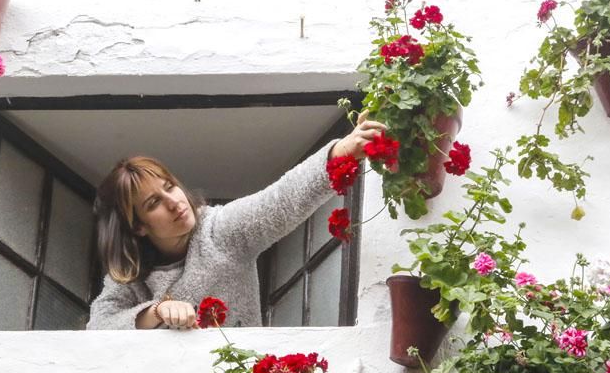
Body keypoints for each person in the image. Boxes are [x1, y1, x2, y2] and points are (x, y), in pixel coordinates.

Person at [86, 113, 386, 330]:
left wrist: (341, 153)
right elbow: (99, 324)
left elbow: (280, 201)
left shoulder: (219, 230)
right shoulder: (128, 274)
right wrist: (156, 312)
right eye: (153, 204)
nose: (173, 201)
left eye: (169, 186)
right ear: (137, 226)